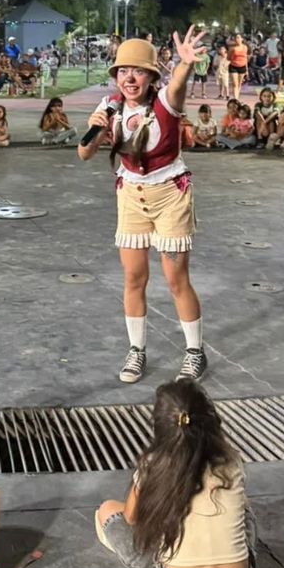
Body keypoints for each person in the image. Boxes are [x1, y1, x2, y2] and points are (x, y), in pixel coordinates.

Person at [78, 31, 208, 383]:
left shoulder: (166, 100)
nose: (130, 78)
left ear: (152, 76)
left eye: (138, 71)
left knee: (175, 279)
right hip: (131, 196)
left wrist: (183, 63)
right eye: (123, 71)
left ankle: (195, 352)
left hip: (170, 194)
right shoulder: (109, 106)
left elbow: (179, 82)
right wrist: (95, 129)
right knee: (133, 277)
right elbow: (85, 153)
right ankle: (137, 351)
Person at [95, 380, 255, 568]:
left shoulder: (153, 466)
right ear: (210, 420)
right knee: (246, 514)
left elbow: (130, 518)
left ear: (160, 427)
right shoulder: (231, 462)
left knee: (107, 511)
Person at [227, 32, 249, 101]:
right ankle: (235, 99)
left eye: (239, 37)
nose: (237, 39)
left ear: (242, 39)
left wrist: (247, 70)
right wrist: (234, 58)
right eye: (236, 38)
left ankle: (237, 97)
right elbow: (228, 58)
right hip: (233, 66)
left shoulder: (245, 47)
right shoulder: (232, 48)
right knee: (235, 84)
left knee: (239, 84)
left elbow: (245, 59)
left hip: (242, 66)